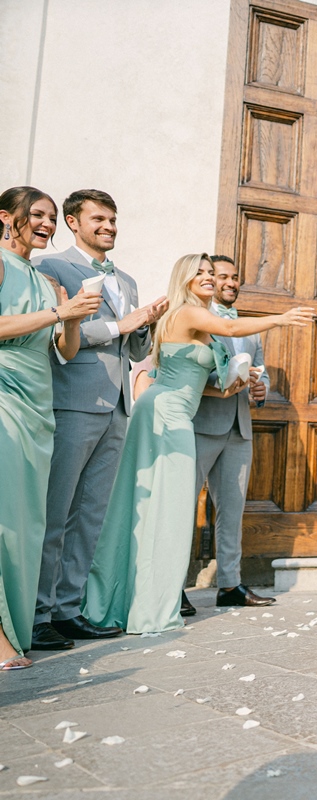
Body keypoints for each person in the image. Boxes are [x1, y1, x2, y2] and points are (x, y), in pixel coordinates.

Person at [82, 254, 312, 634]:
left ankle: (153, 594)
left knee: (162, 510)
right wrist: (281, 318)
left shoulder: (197, 321)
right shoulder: (188, 313)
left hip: (177, 413)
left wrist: (243, 382)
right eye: (202, 273)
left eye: (212, 273)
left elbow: (214, 386)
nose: (209, 278)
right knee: (167, 509)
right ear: (185, 280)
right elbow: (227, 330)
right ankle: (154, 597)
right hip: (168, 415)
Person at [32, 189, 167, 650]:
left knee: (90, 515)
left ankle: (69, 609)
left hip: (117, 408)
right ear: (74, 222)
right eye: (99, 219)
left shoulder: (125, 280)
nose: (109, 227)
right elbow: (57, 331)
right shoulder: (52, 268)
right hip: (72, 402)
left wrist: (144, 324)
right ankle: (37, 614)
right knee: (57, 511)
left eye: (113, 220)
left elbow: (134, 351)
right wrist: (119, 326)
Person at [0, 187, 102, 669]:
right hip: (4, 396)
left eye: (50, 217)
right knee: (5, 520)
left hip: (41, 403)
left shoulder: (45, 280)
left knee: (28, 522)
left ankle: (21, 623)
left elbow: (64, 351)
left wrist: (74, 315)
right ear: (6, 217)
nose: (46, 223)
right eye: (35, 215)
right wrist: (59, 312)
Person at [187, 254, 274, 614]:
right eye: (223, 276)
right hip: (199, 424)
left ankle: (230, 584)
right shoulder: (195, 318)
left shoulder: (249, 327)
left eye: (235, 277)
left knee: (233, 509)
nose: (231, 282)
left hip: (239, 427)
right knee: (181, 507)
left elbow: (262, 372)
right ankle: (171, 589)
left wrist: (261, 390)